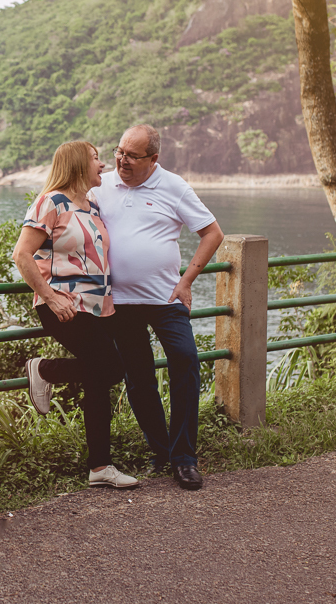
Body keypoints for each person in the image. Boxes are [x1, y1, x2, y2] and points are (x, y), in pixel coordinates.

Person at [94, 125, 224, 491]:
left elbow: (212, 233)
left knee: (185, 362)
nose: (122, 160)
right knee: (139, 379)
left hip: (165, 300)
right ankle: (163, 450)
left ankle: (184, 459)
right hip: (119, 303)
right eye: (119, 151)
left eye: (132, 156)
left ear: (153, 160)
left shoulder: (174, 186)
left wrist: (186, 282)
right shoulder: (101, 184)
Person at [11, 141, 138, 489]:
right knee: (111, 367)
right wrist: (50, 297)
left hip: (100, 307)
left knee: (99, 379)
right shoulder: (50, 202)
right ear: (79, 164)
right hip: (65, 307)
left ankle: (100, 467)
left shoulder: (93, 204)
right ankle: (44, 368)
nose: (103, 164)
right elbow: (22, 255)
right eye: (97, 158)